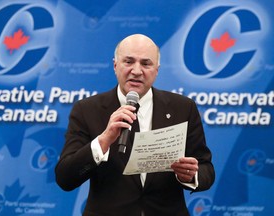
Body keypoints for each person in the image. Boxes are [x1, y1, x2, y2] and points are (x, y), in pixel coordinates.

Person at [55, 34, 215, 216]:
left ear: (157, 70)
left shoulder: (183, 108)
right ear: (115, 65)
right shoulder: (87, 110)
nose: (137, 71)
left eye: (146, 64)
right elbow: (65, 178)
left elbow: (206, 168)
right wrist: (104, 140)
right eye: (129, 62)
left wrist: (190, 175)